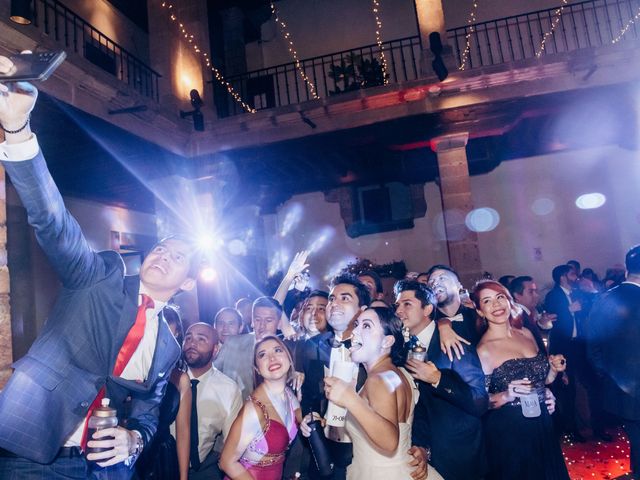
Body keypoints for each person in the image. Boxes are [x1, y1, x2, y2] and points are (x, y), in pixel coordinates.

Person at [0, 72, 198, 478]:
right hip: (31, 452)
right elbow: (54, 223)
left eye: (178, 257)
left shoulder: (167, 349)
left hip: (103, 469)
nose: (162, 254)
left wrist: (134, 440)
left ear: (189, 283)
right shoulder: (102, 275)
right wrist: (17, 129)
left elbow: (147, 416)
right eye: (162, 247)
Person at [302, 306, 443, 479]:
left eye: (366, 326)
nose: (354, 332)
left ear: (387, 341)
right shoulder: (398, 374)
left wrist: (350, 399)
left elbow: (390, 442)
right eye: (356, 324)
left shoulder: (378, 379)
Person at [472, 280, 569, 480]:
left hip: (541, 422)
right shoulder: (484, 350)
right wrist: (507, 395)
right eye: (487, 301)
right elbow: (479, 402)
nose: (496, 305)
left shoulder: (526, 333)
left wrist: (552, 370)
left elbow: (542, 381)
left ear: (509, 301)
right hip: (510, 432)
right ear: (480, 311)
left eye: (500, 297)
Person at [395, 280, 488, 480]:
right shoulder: (403, 349)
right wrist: (420, 445)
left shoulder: (454, 342)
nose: (399, 310)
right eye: (397, 305)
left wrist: (438, 379)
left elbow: (480, 401)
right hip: (426, 454)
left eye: (407, 304)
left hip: (461, 455)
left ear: (427, 308)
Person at [587, 245, 640, 479]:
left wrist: (611, 379)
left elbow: (593, 347)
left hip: (622, 392)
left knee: (637, 444)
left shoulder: (603, 299)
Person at [219, 335, 301, 480]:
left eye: (277, 350)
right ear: (257, 368)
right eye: (262, 355)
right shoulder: (254, 410)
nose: (272, 358)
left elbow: (302, 421)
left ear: (289, 357)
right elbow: (226, 462)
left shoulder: (289, 395)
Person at [136, 305, 192, 480]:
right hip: (127, 449)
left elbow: (183, 432)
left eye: (169, 329)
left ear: (176, 335)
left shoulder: (180, 378)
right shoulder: (131, 368)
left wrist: (183, 477)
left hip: (161, 457)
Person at [183, 323, 243, 480]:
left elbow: (232, 441)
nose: (192, 344)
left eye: (201, 339)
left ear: (215, 350)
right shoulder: (168, 380)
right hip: (161, 465)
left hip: (203, 469)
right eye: (188, 338)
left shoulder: (228, 388)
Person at [215, 297, 282, 400]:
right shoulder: (232, 344)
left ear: (279, 323)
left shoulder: (285, 350)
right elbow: (211, 374)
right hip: (235, 411)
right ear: (252, 321)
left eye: (268, 320)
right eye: (257, 319)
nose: (262, 326)